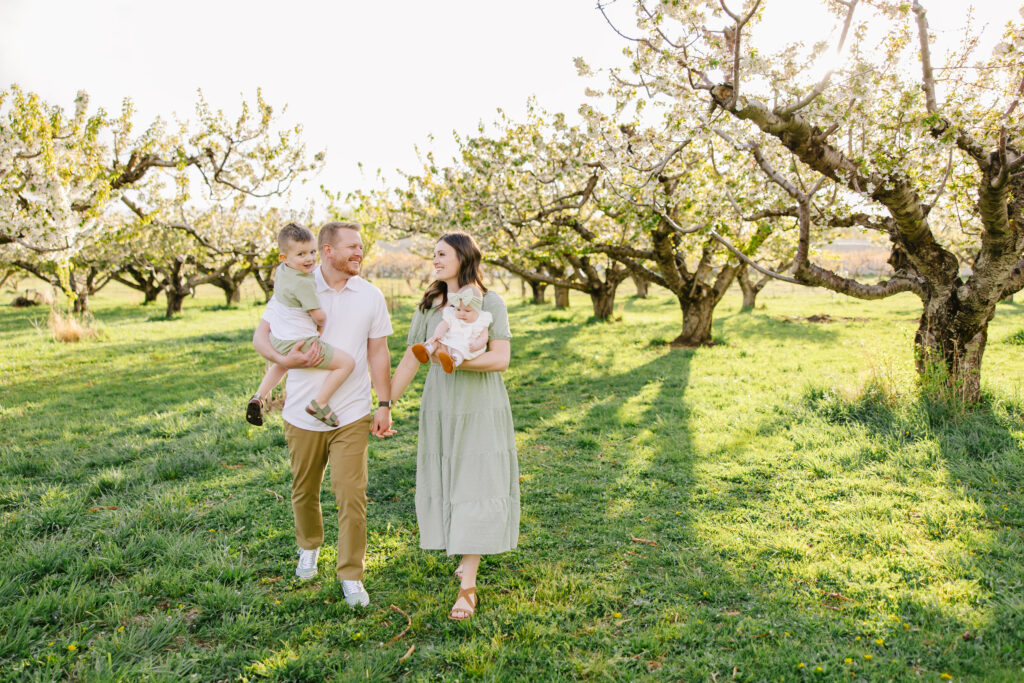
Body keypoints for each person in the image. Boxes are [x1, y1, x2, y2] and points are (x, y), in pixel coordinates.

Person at [252, 221, 394, 608]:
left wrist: (384, 403)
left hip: (351, 413)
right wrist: (285, 358)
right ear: (327, 251)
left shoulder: (370, 295)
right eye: (352, 247)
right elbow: (260, 337)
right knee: (304, 490)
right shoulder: (294, 283)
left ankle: (351, 574)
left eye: (361, 246)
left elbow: (378, 352)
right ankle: (309, 546)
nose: (359, 253)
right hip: (300, 413)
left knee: (352, 494)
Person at [391, 231, 519, 621]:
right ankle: (462, 551)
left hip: (480, 402)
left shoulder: (490, 301)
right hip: (442, 402)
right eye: (433, 255)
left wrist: (460, 361)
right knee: (449, 477)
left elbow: (500, 359)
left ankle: (469, 584)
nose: (435, 260)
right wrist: (385, 403)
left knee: (475, 480)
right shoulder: (430, 304)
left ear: (463, 257)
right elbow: (413, 358)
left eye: (442, 254)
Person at [246, 223, 355, 428]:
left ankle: (259, 396)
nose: (309, 258)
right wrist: (322, 322)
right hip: (302, 342)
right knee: (347, 363)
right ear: (284, 258)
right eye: (301, 254)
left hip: (279, 339)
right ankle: (319, 403)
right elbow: (318, 316)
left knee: (281, 364)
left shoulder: (282, 272)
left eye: (312, 252)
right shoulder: (305, 282)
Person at [409, 284, 491, 373]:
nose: (462, 313)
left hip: (466, 344)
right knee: (436, 340)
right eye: (458, 309)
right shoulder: (452, 314)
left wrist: (477, 344)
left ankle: (452, 362)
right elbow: (443, 324)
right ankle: (426, 350)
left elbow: (484, 337)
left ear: (477, 310)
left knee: (459, 351)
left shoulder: (482, 320)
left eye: (467, 311)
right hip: (449, 340)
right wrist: (438, 334)